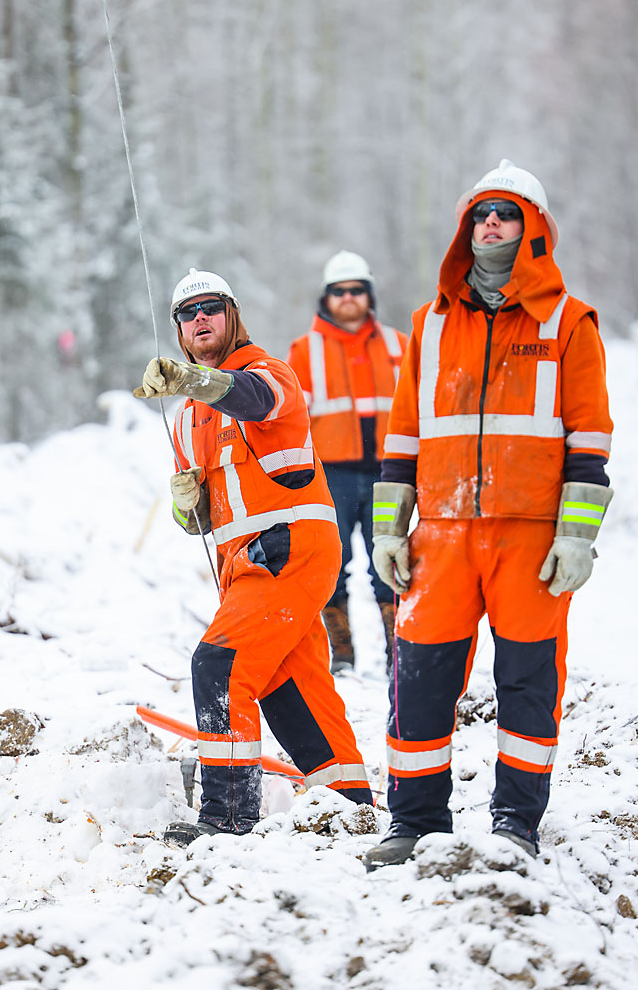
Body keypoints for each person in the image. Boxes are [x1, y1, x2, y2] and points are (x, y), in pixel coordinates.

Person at [363, 160, 614, 870]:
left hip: (530, 538)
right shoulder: (429, 324)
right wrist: (389, 527)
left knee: (529, 681)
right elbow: (403, 437)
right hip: (440, 536)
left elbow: (590, 442)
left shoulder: (569, 322)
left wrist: (577, 535)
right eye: (481, 214)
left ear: (533, 228)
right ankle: (412, 820)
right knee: (418, 679)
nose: (491, 224)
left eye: (506, 213)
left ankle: (515, 823)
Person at [134, 268, 373, 846]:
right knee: (290, 685)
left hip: (287, 547)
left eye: (211, 309)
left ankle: (228, 818)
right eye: (188, 316)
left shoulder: (265, 371)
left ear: (232, 315)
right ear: (178, 329)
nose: (200, 320)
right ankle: (351, 807)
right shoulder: (190, 416)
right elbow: (204, 518)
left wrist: (193, 379)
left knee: (219, 667)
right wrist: (185, 507)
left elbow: (257, 401)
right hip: (245, 562)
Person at [287, 251, 407, 674]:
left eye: (356, 290)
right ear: (327, 297)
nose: (349, 298)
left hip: (388, 473)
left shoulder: (398, 344)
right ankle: (341, 652)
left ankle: (399, 650)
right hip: (330, 474)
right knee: (331, 565)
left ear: (369, 294)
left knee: (390, 561)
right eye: (340, 291)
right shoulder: (304, 350)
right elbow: (290, 418)